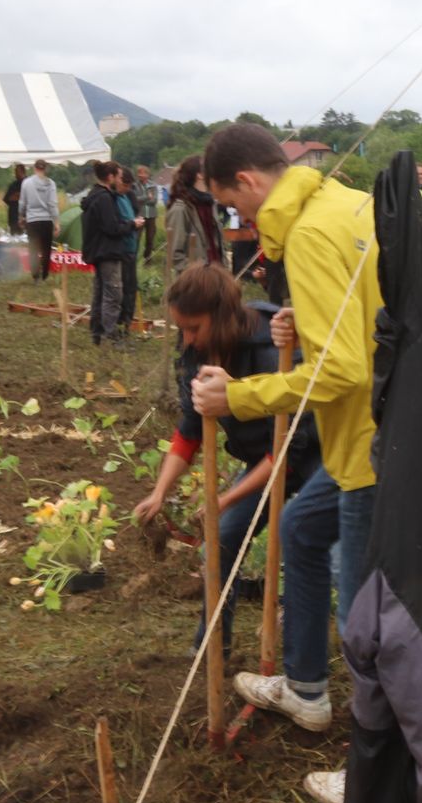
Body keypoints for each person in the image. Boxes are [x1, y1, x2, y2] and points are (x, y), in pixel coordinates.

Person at [190, 124, 382, 803]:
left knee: (367, 615)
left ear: (246, 180)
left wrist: (238, 394)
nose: (242, 222)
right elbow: (365, 313)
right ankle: (305, 690)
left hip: (373, 438)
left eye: (235, 207)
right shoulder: (347, 203)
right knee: (299, 529)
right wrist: (303, 322)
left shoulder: (308, 233)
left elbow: (346, 365)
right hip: (371, 425)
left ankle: (378, 773)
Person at [133, 264, 322, 654]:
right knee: (221, 542)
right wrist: (159, 491)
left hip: (317, 460)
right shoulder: (195, 356)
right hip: (262, 461)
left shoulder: (273, 350)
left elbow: (287, 451)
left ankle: (303, 658)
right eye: (181, 328)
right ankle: (213, 645)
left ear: (219, 317)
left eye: (194, 328)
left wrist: (224, 499)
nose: (186, 339)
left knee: (305, 541)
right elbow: (188, 432)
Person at [79, 162, 133, 346]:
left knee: (100, 293)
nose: (119, 179)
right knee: (113, 294)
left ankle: (97, 331)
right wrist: (131, 225)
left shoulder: (94, 196)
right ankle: (110, 334)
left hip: (99, 251)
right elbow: (112, 228)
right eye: (118, 175)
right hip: (108, 251)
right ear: (110, 177)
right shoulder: (104, 199)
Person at [165, 155, 224, 276]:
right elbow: (175, 254)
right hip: (196, 282)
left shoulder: (210, 204)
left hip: (217, 276)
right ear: (200, 175)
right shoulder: (180, 209)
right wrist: (197, 274)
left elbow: (218, 244)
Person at [114, 164, 144, 328]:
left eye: (129, 186)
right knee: (122, 287)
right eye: (124, 185)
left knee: (131, 287)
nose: (126, 188)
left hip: (131, 247)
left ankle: (127, 321)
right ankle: (119, 321)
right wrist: (132, 224)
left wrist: (137, 221)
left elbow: (136, 211)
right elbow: (115, 226)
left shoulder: (128, 195)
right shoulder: (112, 198)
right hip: (121, 249)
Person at [20, 160, 60, 281]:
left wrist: (21, 216)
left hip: (32, 219)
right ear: (45, 169)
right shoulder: (50, 183)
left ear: (34, 168)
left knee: (33, 248)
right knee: (46, 248)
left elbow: (22, 202)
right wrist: (56, 222)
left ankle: (35, 275)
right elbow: (53, 204)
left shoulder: (26, 183)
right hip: (46, 220)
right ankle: (45, 274)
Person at [133, 164, 161, 262]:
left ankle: (148, 259)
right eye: (139, 173)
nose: (140, 175)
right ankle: (133, 259)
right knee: (137, 238)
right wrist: (146, 197)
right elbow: (135, 200)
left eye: (143, 173)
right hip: (140, 215)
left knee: (150, 239)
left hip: (151, 215)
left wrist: (143, 199)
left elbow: (154, 200)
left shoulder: (153, 185)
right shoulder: (134, 186)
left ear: (147, 174)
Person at [4, 163, 28, 236]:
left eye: (17, 171)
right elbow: (7, 199)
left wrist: (19, 196)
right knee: (14, 240)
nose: (16, 174)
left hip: (26, 217)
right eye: (15, 172)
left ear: (23, 172)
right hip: (13, 217)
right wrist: (16, 196)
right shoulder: (13, 185)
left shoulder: (29, 183)